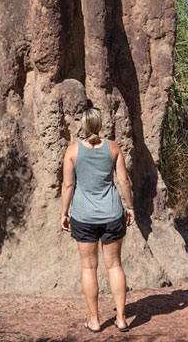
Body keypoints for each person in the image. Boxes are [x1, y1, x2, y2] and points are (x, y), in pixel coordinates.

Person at [60, 107, 136, 333]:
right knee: (114, 265)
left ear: (82, 125)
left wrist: (64, 213)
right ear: (100, 125)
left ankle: (95, 320)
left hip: (83, 217)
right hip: (113, 214)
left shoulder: (72, 151)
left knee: (88, 267)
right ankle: (121, 319)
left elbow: (68, 185)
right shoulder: (113, 148)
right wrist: (130, 207)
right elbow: (123, 181)